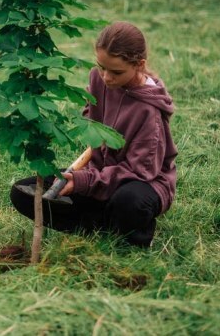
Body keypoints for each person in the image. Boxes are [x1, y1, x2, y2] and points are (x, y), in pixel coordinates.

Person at [10, 22, 177, 247]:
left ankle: (131, 235)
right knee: (23, 193)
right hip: (98, 175)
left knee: (128, 202)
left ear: (139, 65)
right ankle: (103, 226)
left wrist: (84, 182)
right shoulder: (98, 79)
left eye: (116, 72)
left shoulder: (150, 112)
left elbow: (139, 172)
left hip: (140, 182)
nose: (106, 77)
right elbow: (89, 117)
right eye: (101, 67)